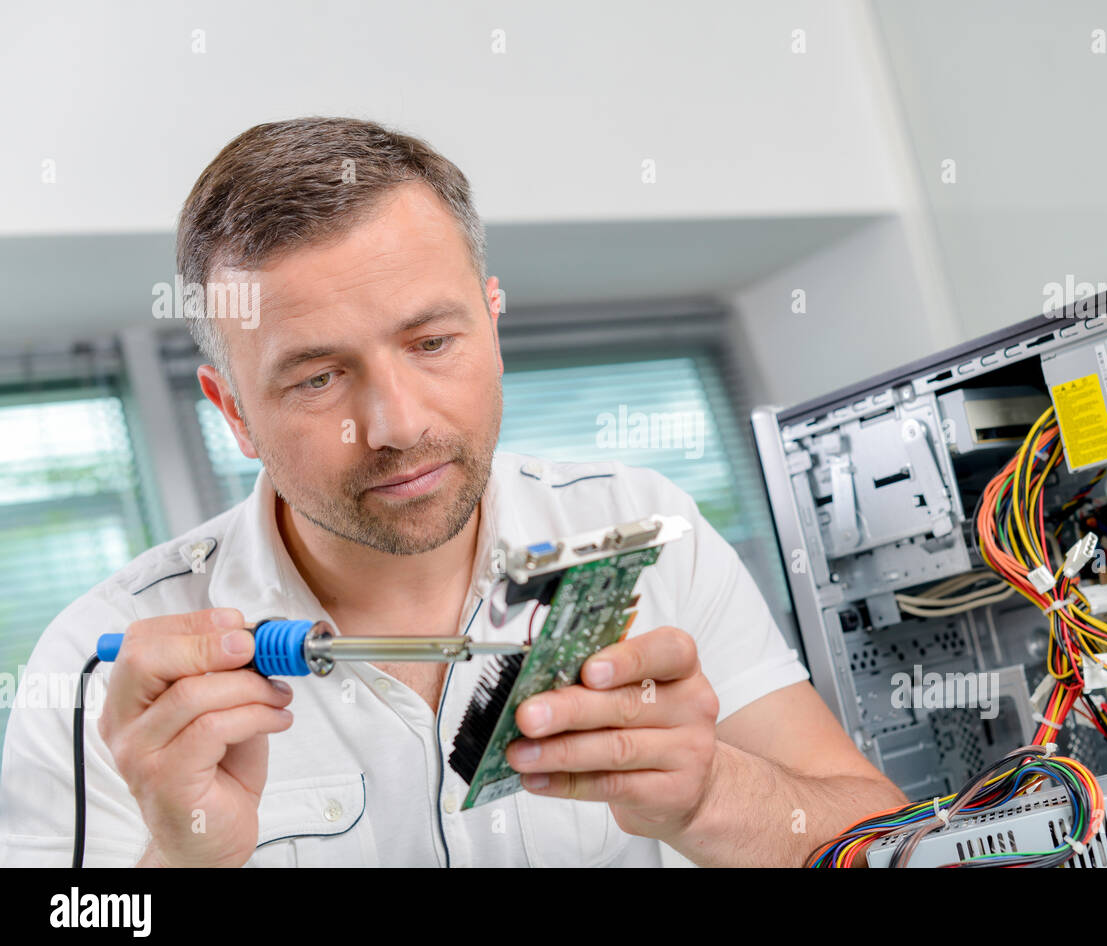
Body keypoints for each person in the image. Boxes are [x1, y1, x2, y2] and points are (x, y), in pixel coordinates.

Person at [0, 117, 904, 867]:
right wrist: (185, 858)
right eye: (317, 378)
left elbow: (886, 837)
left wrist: (711, 793)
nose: (395, 422)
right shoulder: (95, 666)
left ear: (493, 320)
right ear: (232, 411)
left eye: (432, 343)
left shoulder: (645, 527)